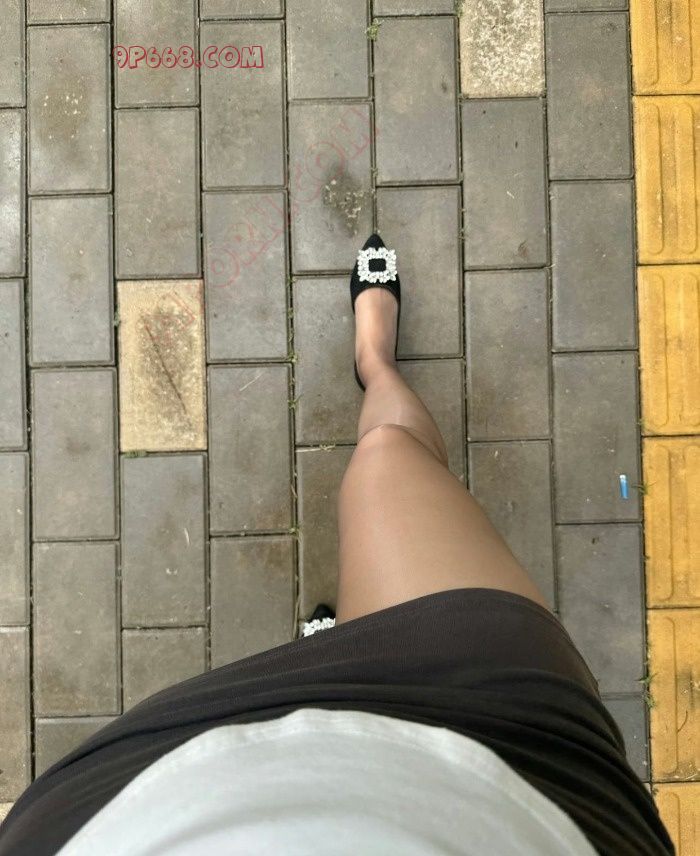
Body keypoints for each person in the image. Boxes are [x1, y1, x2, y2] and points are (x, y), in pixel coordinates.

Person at [0, 235, 672, 856]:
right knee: (389, 452)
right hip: (506, 776)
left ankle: (330, 645)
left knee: (387, 466)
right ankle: (374, 365)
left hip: (152, 802)